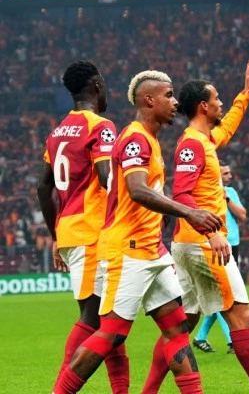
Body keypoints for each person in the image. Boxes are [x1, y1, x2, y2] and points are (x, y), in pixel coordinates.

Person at [53, 69, 223, 394]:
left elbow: (147, 192)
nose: (175, 102)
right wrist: (188, 212)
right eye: (168, 95)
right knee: (111, 333)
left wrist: (164, 214)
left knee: (177, 330)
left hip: (152, 250)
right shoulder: (135, 138)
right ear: (149, 100)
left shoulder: (150, 139)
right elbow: (137, 190)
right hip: (127, 250)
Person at [141, 60, 249, 394]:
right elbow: (181, 193)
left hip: (189, 244)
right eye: (217, 99)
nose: (221, 103)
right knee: (242, 318)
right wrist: (212, 232)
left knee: (180, 326)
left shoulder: (205, 140)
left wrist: (245, 95)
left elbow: (226, 128)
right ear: (203, 106)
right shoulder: (192, 144)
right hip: (203, 245)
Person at [37, 61, 130, 394]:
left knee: (110, 320)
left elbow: (43, 187)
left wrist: (56, 236)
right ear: (97, 85)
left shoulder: (58, 131)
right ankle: (60, 389)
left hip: (70, 231)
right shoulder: (101, 126)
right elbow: (107, 178)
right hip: (93, 233)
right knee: (93, 319)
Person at [192, 161, 247, 355]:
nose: (229, 176)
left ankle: (200, 337)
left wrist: (227, 199)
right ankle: (232, 341)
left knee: (224, 293)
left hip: (233, 244)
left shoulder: (230, 192)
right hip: (213, 244)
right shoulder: (205, 192)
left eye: (229, 173)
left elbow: (242, 215)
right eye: (225, 174)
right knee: (224, 293)